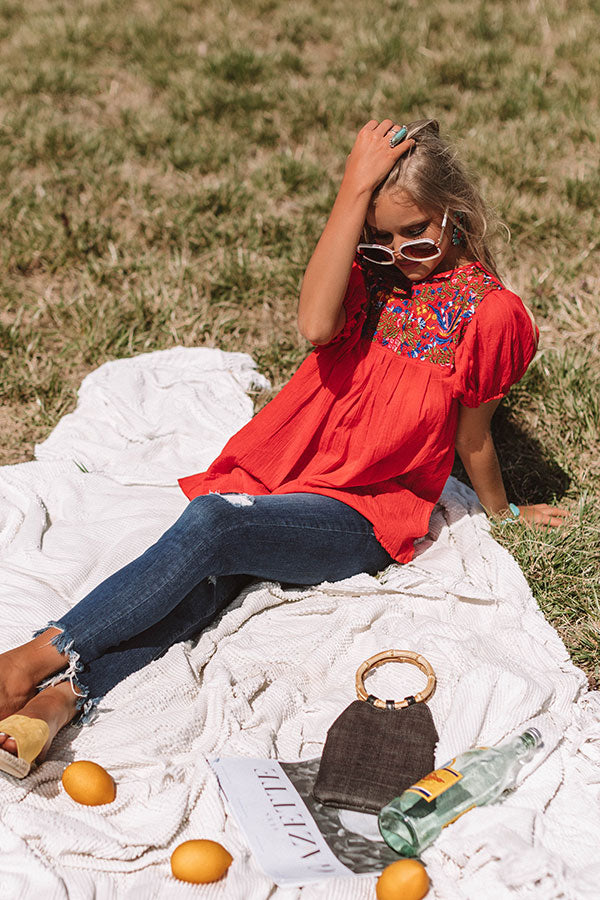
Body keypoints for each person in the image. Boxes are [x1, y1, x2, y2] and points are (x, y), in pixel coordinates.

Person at [0, 118, 569, 778]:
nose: (397, 251)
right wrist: (353, 190)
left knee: (215, 526)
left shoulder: (492, 315)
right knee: (206, 585)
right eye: (379, 236)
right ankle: (56, 704)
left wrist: (504, 513)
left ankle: (30, 660)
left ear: (455, 214)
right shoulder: (370, 273)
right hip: (291, 472)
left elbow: (473, 437)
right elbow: (315, 324)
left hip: (363, 513)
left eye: (415, 232)